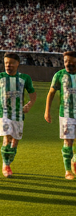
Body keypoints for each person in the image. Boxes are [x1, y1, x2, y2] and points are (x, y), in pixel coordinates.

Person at [0, 52, 36, 178]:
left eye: (11, 63)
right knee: (7, 138)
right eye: (6, 63)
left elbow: (33, 94)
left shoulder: (25, 78)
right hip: (3, 114)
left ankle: (8, 162)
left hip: (19, 115)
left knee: (15, 141)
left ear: (17, 64)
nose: (8, 66)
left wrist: (29, 104)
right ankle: (5, 165)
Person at [43, 50, 76, 180]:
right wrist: (47, 111)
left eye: (71, 61)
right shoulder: (59, 75)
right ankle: (68, 170)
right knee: (68, 142)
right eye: (66, 61)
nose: (68, 63)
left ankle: (74, 159)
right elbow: (51, 93)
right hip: (66, 114)